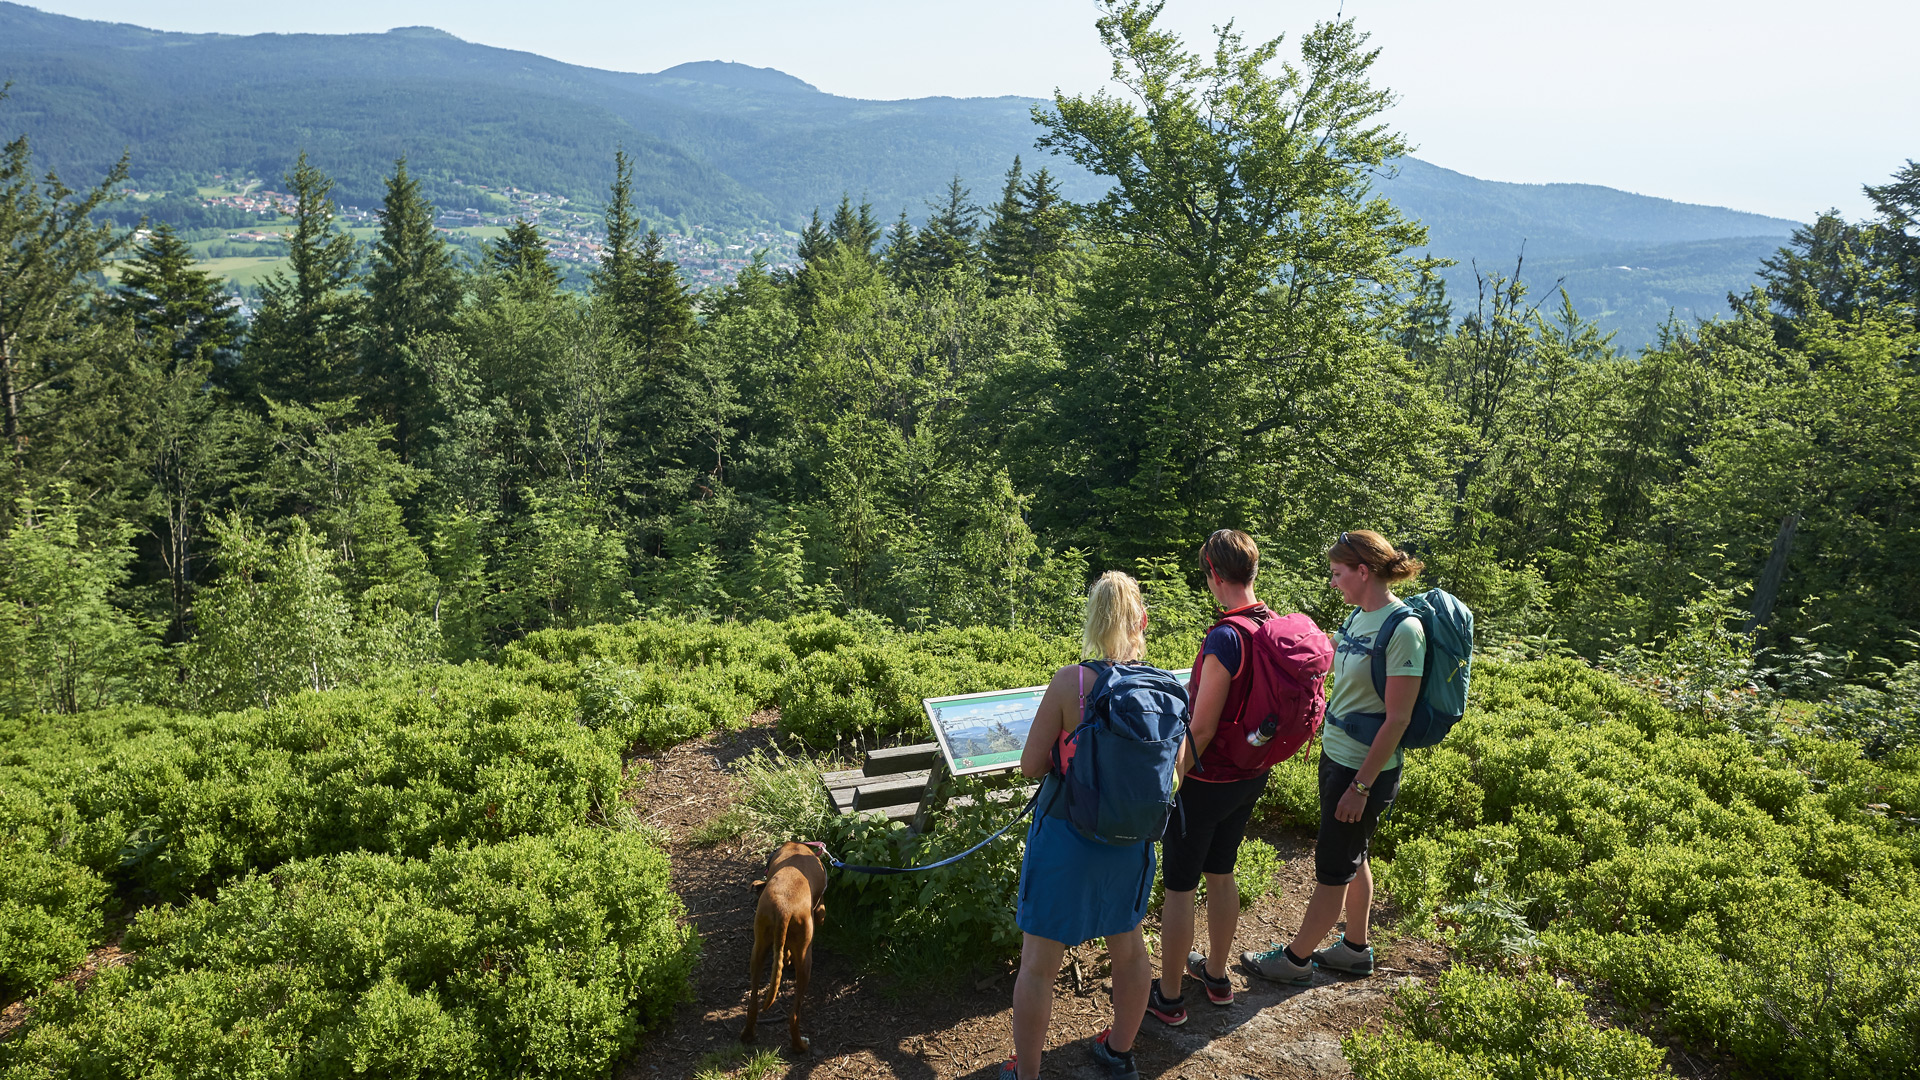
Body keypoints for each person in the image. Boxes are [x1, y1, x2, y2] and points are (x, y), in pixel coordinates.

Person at [1002, 571, 1177, 1080]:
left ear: (1092, 621)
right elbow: (1178, 773)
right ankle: (1119, 1053)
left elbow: (1032, 766)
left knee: (1038, 962)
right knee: (1128, 948)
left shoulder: (1070, 681)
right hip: (1131, 841)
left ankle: (1027, 1072)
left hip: (1066, 835)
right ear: (1141, 621)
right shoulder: (1161, 690)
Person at [1241, 529, 1424, 984]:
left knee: (1332, 868)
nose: (1333, 582)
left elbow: (1397, 719)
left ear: (1364, 572)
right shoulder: (1360, 617)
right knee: (1354, 856)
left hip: (1363, 770)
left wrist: (1361, 786)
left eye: (1338, 573)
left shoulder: (1404, 629)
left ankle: (1294, 961)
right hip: (1338, 756)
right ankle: (1355, 950)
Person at [1150, 529, 1283, 1024]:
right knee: (1222, 869)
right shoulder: (1269, 624)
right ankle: (1218, 974)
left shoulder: (1226, 637)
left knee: (1180, 886)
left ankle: (1167, 996)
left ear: (1213, 573)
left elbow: (1201, 727)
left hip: (1208, 781)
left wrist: (1172, 780)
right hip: (1252, 773)